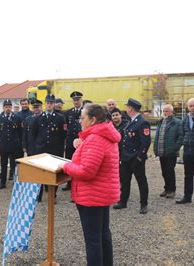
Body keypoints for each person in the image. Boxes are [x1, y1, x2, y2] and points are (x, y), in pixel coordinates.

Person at [61, 104, 120, 266]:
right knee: (102, 235)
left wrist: (65, 166)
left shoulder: (96, 139)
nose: (80, 121)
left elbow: (87, 171)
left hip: (92, 195)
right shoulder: (102, 135)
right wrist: (82, 145)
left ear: (93, 120)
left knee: (93, 239)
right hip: (101, 193)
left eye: (83, 118)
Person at [113, 98, 151, 214]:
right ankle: (123, 201)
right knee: (125, 181)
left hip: (136, 158)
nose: (126, 109)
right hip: (126, 157)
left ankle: (143, 204)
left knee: (141, 181)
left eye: (127, 107)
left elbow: (146, 142)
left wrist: (140, 157)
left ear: (130, 108)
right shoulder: (131, 121)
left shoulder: (142, 122)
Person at [32, 94, 67, 201]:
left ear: (54, 104)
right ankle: (39, 194)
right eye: (47, 103)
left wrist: (60, 147)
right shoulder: (38, 118)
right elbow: (34, 134)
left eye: (51, 103)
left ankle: (53, 195)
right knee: (41, 172)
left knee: (54, 173)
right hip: (42, 149)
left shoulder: (60, 118)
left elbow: (63, 134)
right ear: (45, 104)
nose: (49, 105)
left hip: (55, 149)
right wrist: (38, 145)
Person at [153, 104, 183, 199]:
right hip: (162, 151)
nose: (165, 113)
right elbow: (157, 136)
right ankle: (166, 188)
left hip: (171, 152)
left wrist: (175, 147)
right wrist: (155, 148)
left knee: (170, 171)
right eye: (164, 111)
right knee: (164, 171)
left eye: (167, 111)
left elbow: (181, 136)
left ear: (171, 112)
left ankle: (172, 190)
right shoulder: (161, 122)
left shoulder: (177, 122)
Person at [0, 99, 23, 190]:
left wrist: (19, 143)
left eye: (9, 106)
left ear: (11, 107)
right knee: (3, 164)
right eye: (6, 107)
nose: (8, 108)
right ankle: (2, 182)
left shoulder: (17, 118)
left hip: (14, 145)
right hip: (3, 145)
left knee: (13, 165)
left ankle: (16, 183)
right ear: (3, 107)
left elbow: (20, 132)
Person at [62, 91, 84, 191]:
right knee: (70, 161)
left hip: (82, 141)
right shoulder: (69, 112)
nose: (76, 102)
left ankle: (79, 184)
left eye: (78, 100)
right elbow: (66, 126)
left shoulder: (86, 111)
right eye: (74, 100)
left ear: (81, 100)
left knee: (80, 163)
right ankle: (69, 183)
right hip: (71, 141)